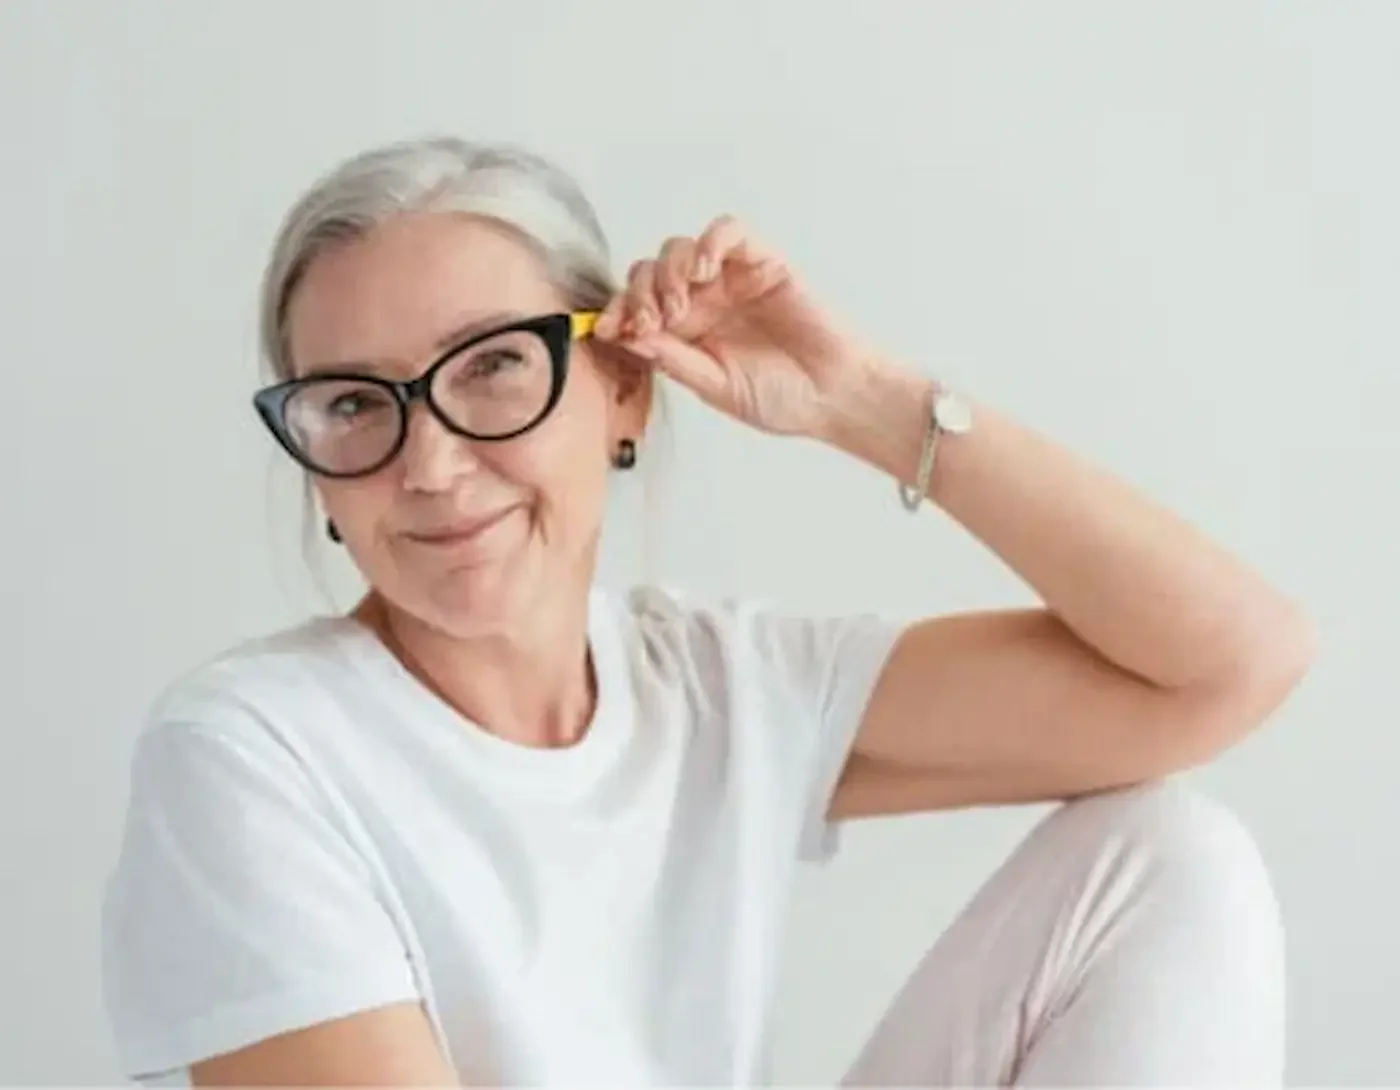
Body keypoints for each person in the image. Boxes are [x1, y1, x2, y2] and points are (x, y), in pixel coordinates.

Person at [100, 137, 1312, 1088]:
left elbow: (1219, 671)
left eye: (494, 368)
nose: (428, 462)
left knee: (1169, 860)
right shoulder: (250, 753)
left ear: (622, 389)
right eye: (355, 404)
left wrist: (866, 403)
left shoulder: (714, 686)